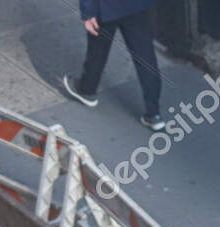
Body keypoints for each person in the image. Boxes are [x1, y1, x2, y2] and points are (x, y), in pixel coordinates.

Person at [63, 0, 164, 132]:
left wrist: (88, 12)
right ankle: (154, 114)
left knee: (98, 50)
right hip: (137, 6)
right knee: (145, 56)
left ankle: (87, 90)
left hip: (105, 6)